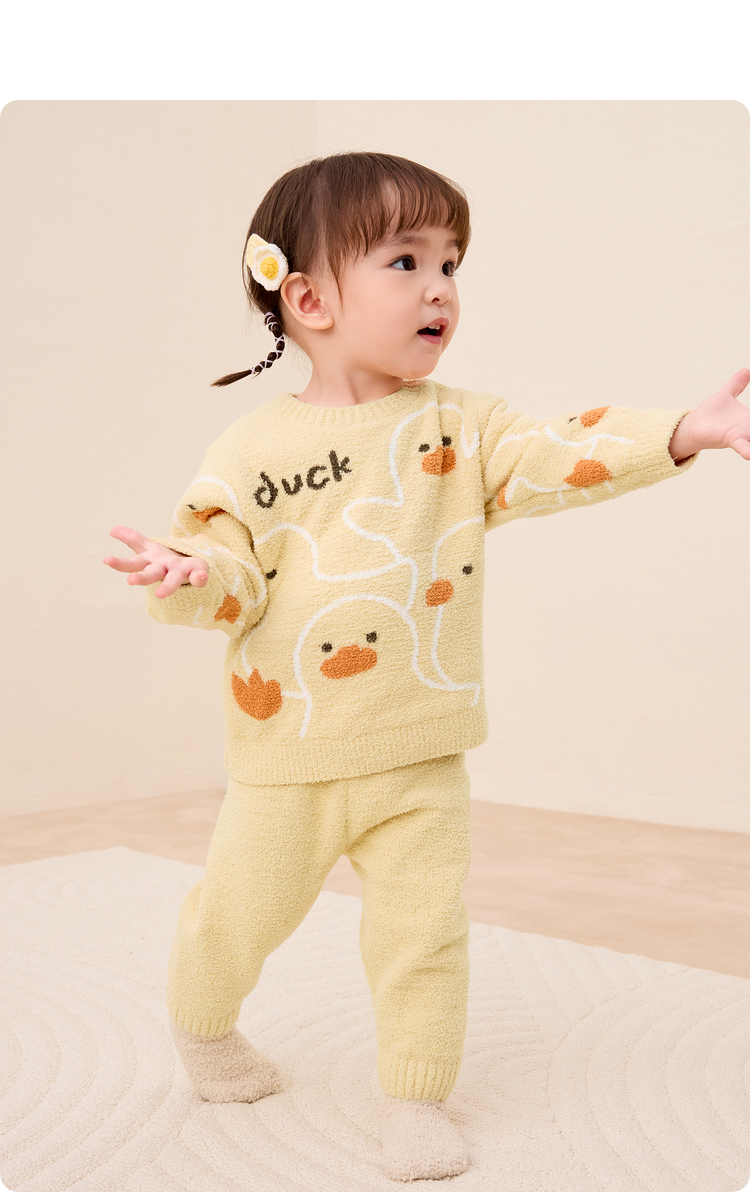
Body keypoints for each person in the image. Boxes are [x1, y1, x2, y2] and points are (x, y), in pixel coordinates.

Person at [103, 151, 750, 1182]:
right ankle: (205, 1030)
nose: (440, 286)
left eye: (451, 262)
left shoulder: (463, 426)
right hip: (290, 758)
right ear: (309, 299)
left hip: (422, 752)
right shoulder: (251, 451)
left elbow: (558, 453)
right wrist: (182, 575)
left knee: (425, 939)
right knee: (235, 919)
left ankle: (414, 1097)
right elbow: (229, 577)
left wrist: (680, 432)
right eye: (406, 261)